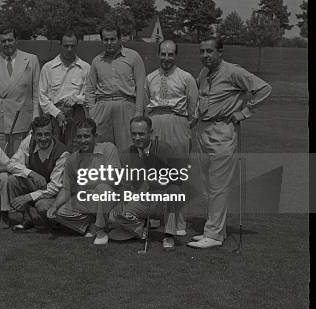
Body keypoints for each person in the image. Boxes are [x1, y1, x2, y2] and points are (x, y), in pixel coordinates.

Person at [188, 37, 272, 249]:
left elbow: (263, 89)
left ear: (220, 52)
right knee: (208, 184)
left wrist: (244, 113)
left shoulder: (234, 72)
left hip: (223, 131)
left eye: (209, 51)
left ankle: (213, 235)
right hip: (203, 131)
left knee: (218, 185)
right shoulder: (204, 73)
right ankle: (218, 229)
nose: (205, 55)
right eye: (202, 51)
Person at [108, 116, 187, 251]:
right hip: (140, 199)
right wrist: (123, 200)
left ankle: (168, 235)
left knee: (174, 191)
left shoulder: (164, 149)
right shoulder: (127, 154)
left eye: (141, 134)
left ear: (150, 132)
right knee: (112, 217)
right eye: (134, 134)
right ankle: (141, 230)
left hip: (162, 200)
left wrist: (159, 180)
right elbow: (123, 184)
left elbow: (179, 178)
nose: (137, 138)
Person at [144, 39, 198, 236]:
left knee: (177, 175)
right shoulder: (150, 78)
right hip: (155, 121)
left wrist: (183, 125)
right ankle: (156, 217)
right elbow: (145, 103)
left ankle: (178, 222)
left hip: (178, 122)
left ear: (176, 55)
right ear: (158, 54)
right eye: (163, 54)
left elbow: (194, 109)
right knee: (155, 174)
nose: (166, 58)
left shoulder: (186, 78)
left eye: (170, 54)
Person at [47, 118, 120, 245]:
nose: (82, 140)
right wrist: (54, 206)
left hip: (110, 198)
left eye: (86, 136)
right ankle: (91, 225)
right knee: (60, 213)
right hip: (87, 201)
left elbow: (113, 179)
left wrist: (87, 183)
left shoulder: (109, 149)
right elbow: (66, 189)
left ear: (95, 136)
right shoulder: (72, 159)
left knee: (102, 188)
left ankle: (100, 231)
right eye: (79, 137)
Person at [84, 23, 145, 151]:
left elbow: (141, 86)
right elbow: (90, 89)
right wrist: (92, 111)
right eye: (106, 39)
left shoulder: (133, 57)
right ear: (102, 40)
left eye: (113, 39)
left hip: (125, 105)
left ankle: (127, 171)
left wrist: (138, 112)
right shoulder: (97, 61)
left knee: (127, 149)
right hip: (102, 107)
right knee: (102, 149)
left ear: (119, 38)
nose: (109, 43)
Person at [0, 28, 41, 157]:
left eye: (10, 40)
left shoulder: (31, 60)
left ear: (16, 41)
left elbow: (36, 95)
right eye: (3, 41)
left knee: (20, 163)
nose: (7, 44)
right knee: (0, 162)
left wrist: (35, 121)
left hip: (23, 122)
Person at [6, 115, 69, 230]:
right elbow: (11, 164)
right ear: (33, 134)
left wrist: (28, 197)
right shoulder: (28, 142)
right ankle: (25, 219)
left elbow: (55, 187)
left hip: (54, 195)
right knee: (12, 180)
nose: (43, 138)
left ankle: (54, 224)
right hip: (37, 186)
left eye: (47, 134)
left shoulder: (62, 152)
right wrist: (31, 173)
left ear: (53, 133)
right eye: (39, 134)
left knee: (42, 206)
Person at [39, 30, 90, 149]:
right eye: (66, 46)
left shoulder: (85, 68)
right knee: (54, 151)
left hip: (76, 115)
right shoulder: (48, 68)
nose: (69, 49)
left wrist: (77, 99)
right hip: (53, 116)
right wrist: (57, 114)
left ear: (77, 46)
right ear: (60, 45)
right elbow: (42, 97)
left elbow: (90, 95)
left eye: (72, 46)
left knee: (76, 150)